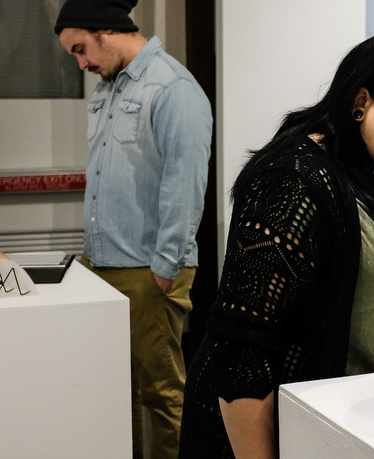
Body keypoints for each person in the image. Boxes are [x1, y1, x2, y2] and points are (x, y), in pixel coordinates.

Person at [178, 31, 374, 458]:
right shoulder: (292, 182)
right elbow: (241, 350)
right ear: (360, 101)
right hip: (283, 428)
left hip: (361, 418)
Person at [54, 1, 213, 458]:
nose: (81, 64)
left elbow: (185, 185)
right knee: (111, 393)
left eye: (81, 49)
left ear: (107, 30)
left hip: (149, 271)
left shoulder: (174, 88)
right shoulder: (108, 88)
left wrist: (165, 268)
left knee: (162, 397)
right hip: (101, 268)